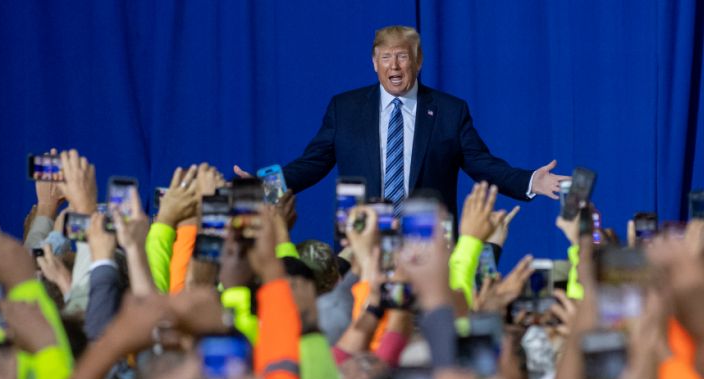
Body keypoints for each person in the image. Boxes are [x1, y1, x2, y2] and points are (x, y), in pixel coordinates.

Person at [235, 25, 569, 216]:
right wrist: (264, 187)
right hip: (363, 245)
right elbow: (310, 164)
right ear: (374, 62)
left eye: (402, 57)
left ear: (418, 61)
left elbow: (483, 165)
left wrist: (530, 182)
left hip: (428, 245)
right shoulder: (345, 108)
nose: (394, 67)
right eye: (385, 58)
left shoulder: (449, 111)